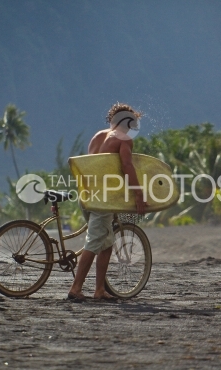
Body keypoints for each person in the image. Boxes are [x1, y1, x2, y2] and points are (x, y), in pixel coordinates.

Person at [67, 103, 147, 301]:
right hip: (104, 199)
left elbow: (95, 165)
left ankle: (99, 290)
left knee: (106, 242)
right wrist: (138, 194)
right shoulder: (124, 139)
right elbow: (127, 167)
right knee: (94, 241)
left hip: (86, 194)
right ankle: (76, 288)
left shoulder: (98, 136)